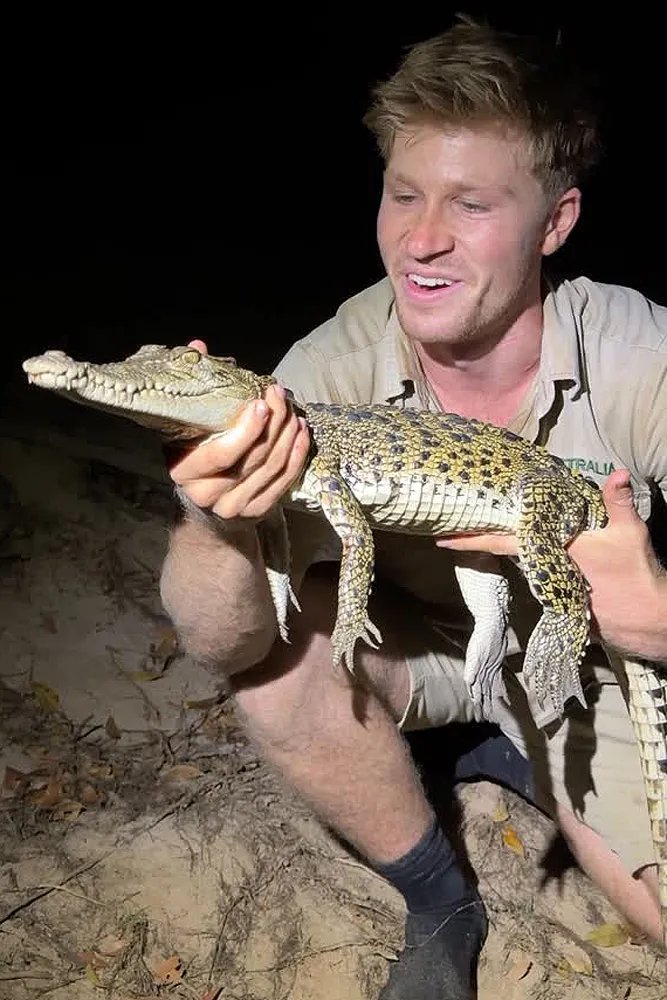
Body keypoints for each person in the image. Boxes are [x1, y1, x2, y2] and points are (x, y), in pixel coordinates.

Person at [159, 15, 667, 999]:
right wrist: (219, 517)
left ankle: (533, 749)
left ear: (553, 223)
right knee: (274, 654)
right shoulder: (324, 372)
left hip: (591, 654)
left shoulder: (639, 352)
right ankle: (438, 894)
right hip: (421, 646)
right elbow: (217, 641)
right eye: (402, 194)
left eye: (470, 204)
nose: (421, 239)